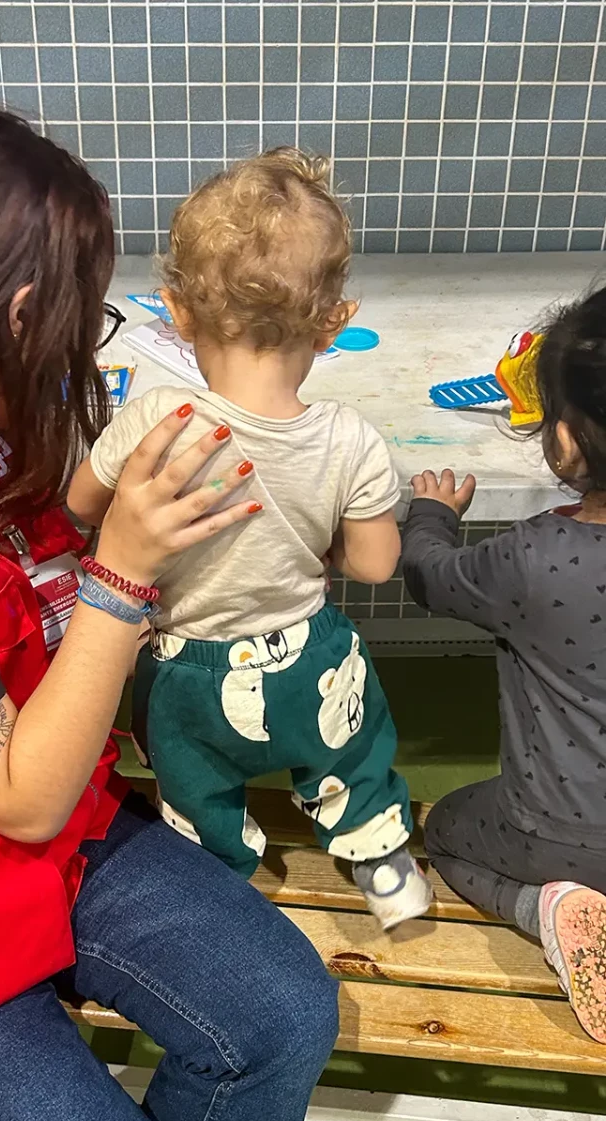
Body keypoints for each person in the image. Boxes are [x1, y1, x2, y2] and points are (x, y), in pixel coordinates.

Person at [0, 104, 339, 1121]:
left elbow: (48, 604)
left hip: (55, 842)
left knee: (280, 1012)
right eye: (80, 314)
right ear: (13, 313)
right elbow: (21, 788)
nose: (80, 344)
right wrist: (125, 569)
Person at [68, 148, 431, 930]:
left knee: (192, 785)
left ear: (177, 309)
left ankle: (222, 874)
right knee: (353, 748)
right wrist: (322, 537)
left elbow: (80, 502)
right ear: (335, 321)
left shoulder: (153, 417)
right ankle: (381, 858)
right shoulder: (350, 438)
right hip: (309, 657)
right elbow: (375, 565)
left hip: (186, 674)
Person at [401, 287, 606, 1044]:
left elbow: (426, 577)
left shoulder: (532, 557)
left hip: (550, 834)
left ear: (567, 442)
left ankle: (547, 908)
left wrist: (432, 516)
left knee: (448, 832)